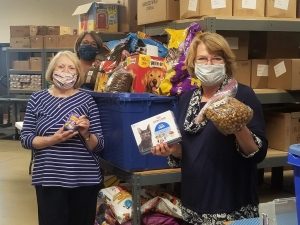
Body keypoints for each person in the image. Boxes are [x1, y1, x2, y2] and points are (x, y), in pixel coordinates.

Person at [152, 32, 268, 225]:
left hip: (231, 206)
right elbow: (191, 150)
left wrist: (238, 127)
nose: (209, 64)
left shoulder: (243, 95)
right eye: (203, 59)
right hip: (194, 203)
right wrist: (174, 150)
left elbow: (257, 153)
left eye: (216, 58)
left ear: (226, 62)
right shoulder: (187, 99)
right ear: (193, 64)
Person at [20, 50, 104, 225]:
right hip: (49, 178)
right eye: (61, 66)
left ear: (78, 73)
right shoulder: (37, 99)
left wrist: (86, 133)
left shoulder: (87, 100)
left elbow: (99, 146)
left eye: (71, 68)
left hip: (84, 179)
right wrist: (53, 139)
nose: (66, 71)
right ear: (52, 71)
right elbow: (26, 139)